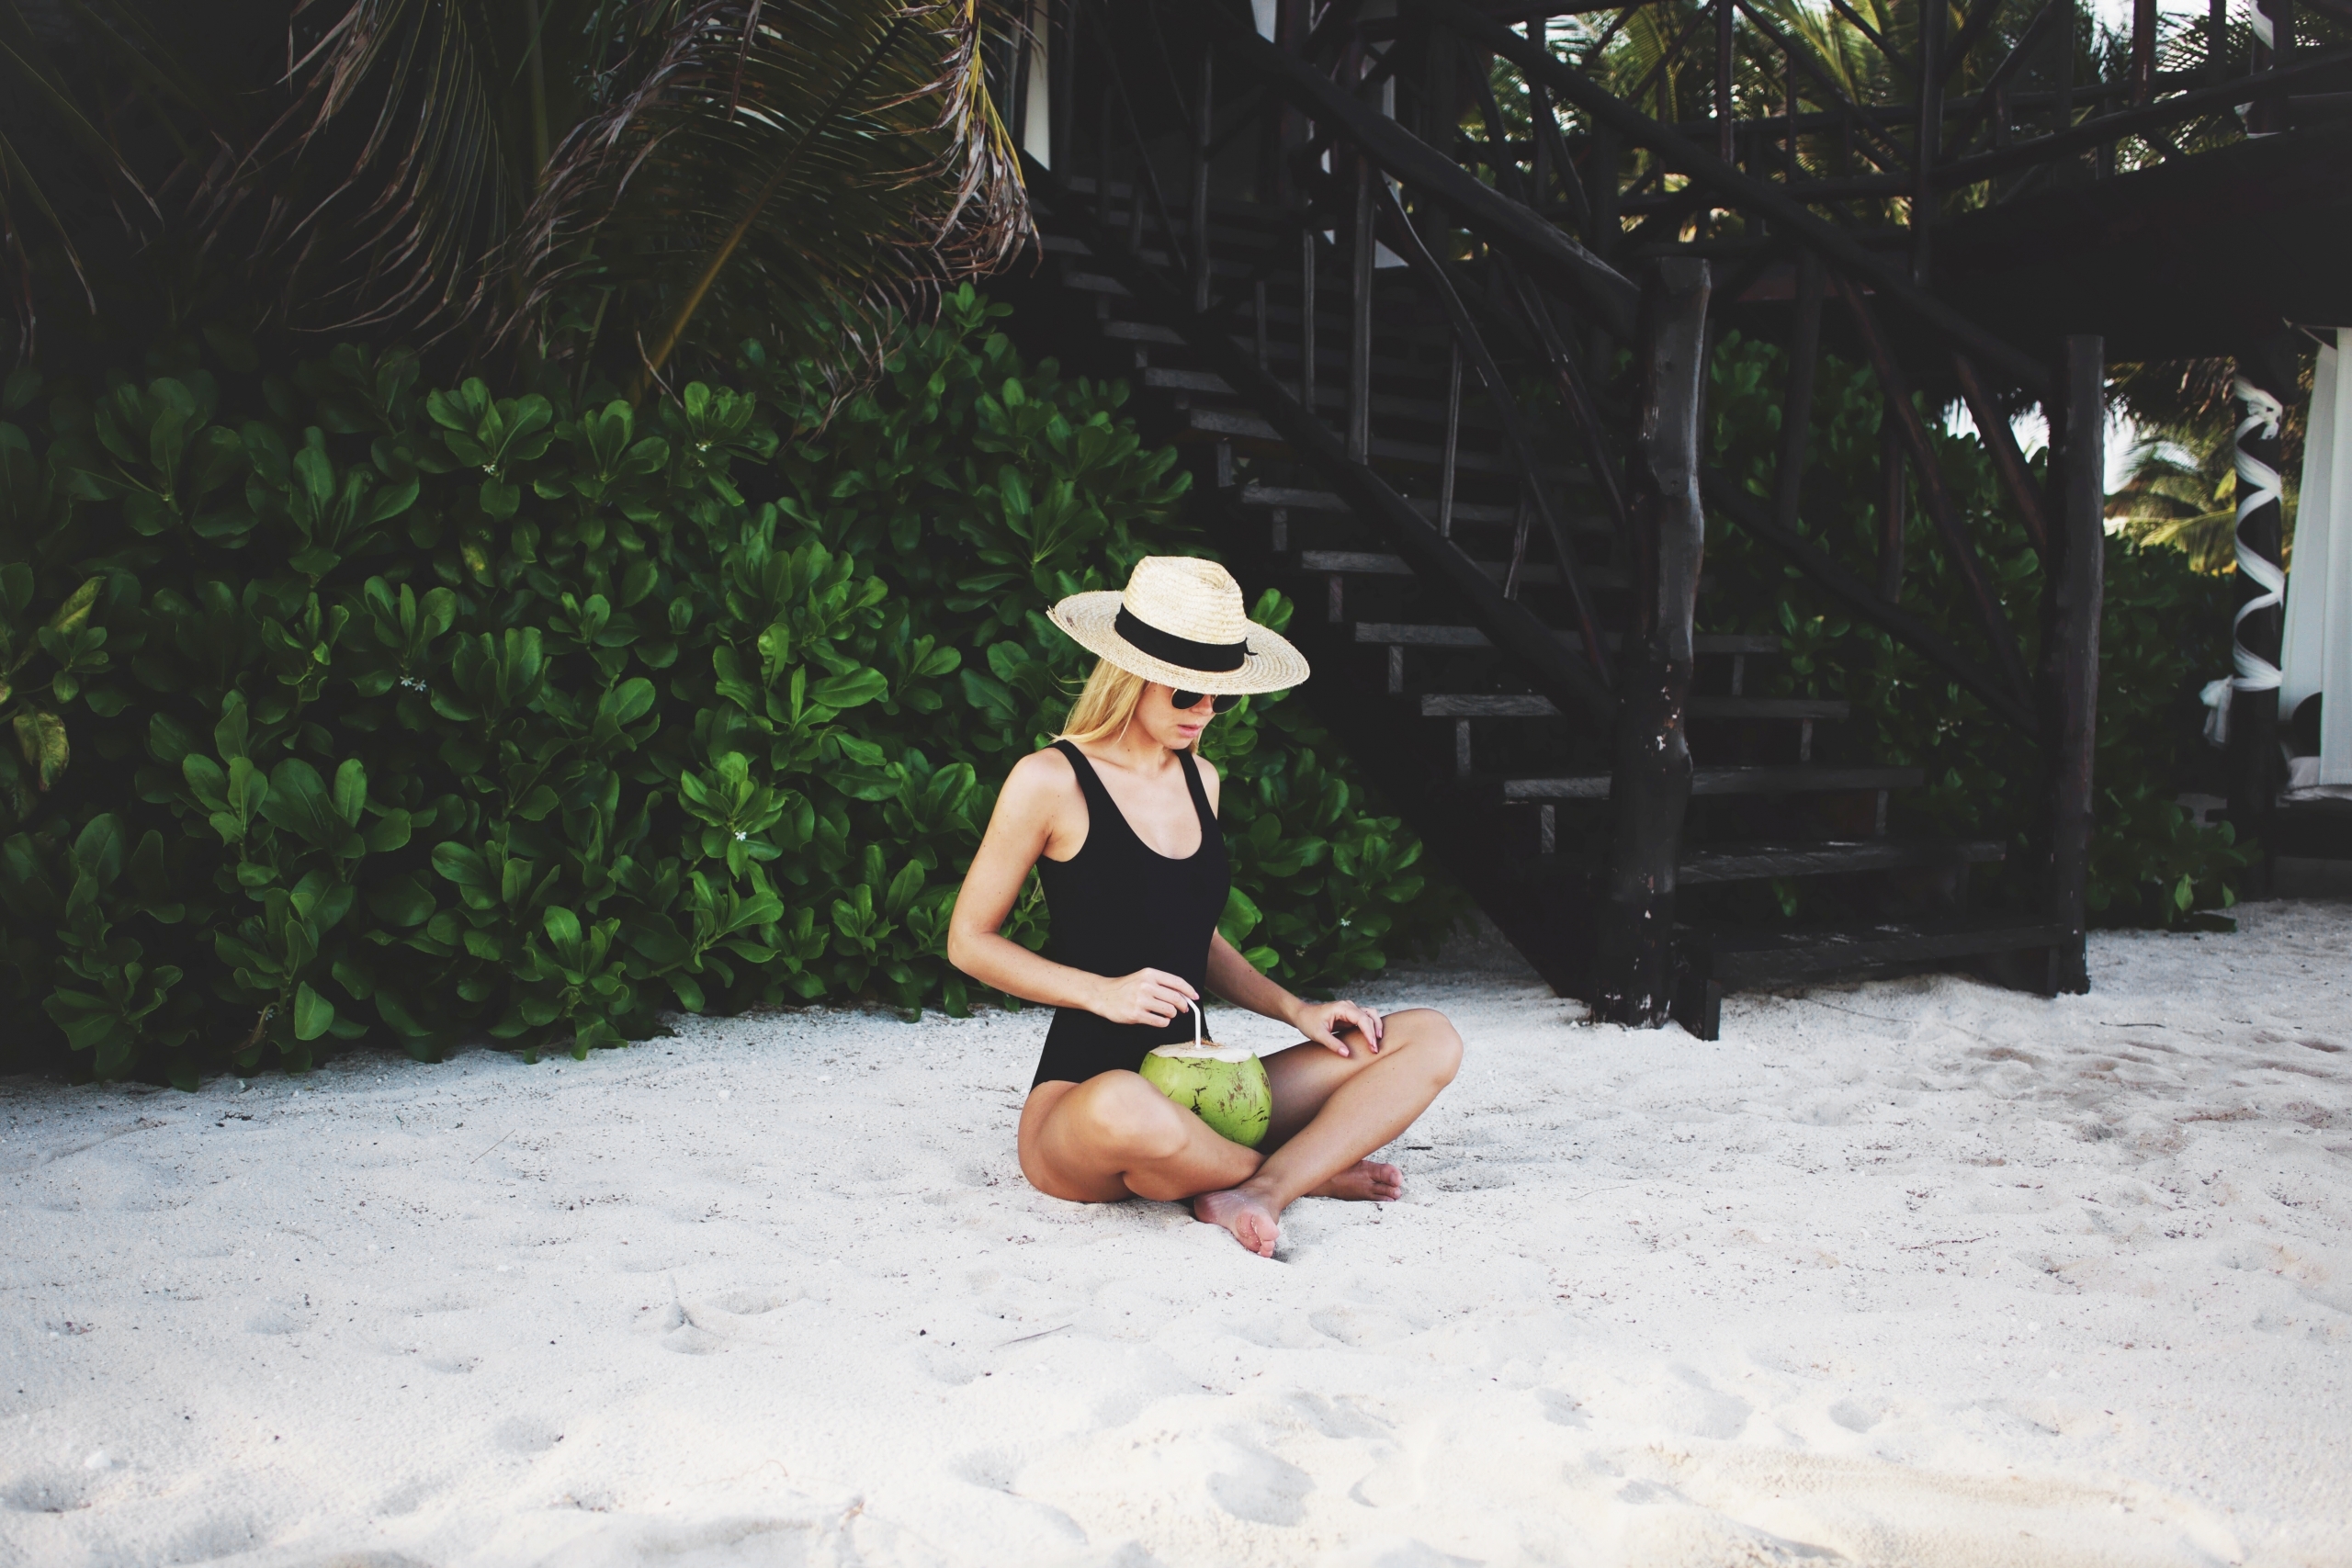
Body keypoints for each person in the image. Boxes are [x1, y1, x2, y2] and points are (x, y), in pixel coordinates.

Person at [946, 556, 1463, 1257]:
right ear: (1132, 674)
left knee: (1429, 1036)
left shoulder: (1202, 780)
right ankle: (1308, 1174)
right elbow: (969, 940)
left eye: (1221, 697)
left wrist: (1297, 1011)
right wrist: (1102, 992)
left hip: (1214, 1090)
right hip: (1085, 1102)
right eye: (1189, 693)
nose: (1205, 713)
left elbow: (1195, 937)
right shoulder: (1049, 780)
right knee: (1127, 1103)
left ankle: (1258, 1187)